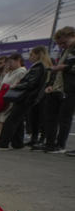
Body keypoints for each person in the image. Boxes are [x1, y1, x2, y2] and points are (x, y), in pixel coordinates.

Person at [0, 46, 50, 150]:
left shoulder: (38, 67)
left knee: (11, 120)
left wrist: (16, 85)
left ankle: (2, 144)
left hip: (26, 97)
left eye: (32, 54)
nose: (29, 57)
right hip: (27, 98)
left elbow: (31, 83)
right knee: (17, 121)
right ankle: (17, 144)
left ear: (38, 55)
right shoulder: (37, 67)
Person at [41, 26, 75, 154]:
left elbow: (68, 68)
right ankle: (50, 144)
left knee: (64, 118)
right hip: (56, 88)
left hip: (69, 88)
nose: (62, 46)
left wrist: (64, 67)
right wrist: (50, 84)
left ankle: (60, 145)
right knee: (50, 117)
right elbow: (55, 70)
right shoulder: (64, 52)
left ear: (72, 35)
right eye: (60, 44)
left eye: (64, 42)